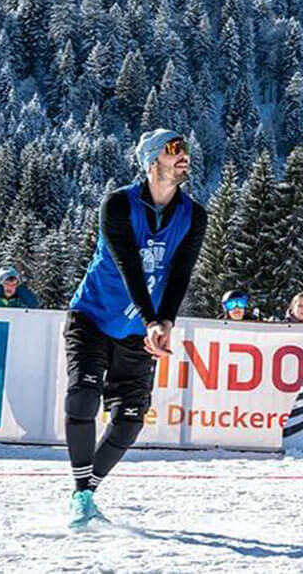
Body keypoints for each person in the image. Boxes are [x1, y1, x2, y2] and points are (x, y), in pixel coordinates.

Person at [64, 128, 207, 530]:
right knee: (82, 398)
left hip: (137, 333)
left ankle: (84, 492)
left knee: (129, 420)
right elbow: (129, 266)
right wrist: (151, 320)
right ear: (150, 161)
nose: (183, 156)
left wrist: (166, 321)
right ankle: (81, 490)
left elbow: (180, 273)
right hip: (92, 317)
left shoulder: (194, 214)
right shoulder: (117, 205)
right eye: (173, 149)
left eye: (185, 148)